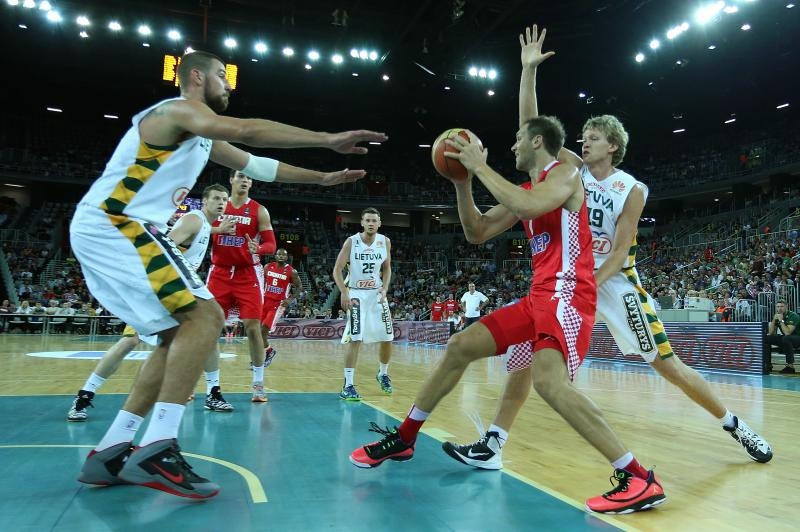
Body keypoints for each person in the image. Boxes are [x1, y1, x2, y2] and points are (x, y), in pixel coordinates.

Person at [442, 25, 772, 487]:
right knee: (524, 358)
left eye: (592, 137)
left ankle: (737, 426)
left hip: (613, 284)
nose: (583, 141)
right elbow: (531, 130)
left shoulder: (631, 188)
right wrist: (528, 73)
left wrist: (589, 283)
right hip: (568, 284)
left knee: (667, 365)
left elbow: (621, 249)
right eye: (582, 136)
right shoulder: (568, 171)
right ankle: (494, 442)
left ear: (612, 145)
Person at [70, 49, 386, 499]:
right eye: (221, 76)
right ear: (196, 77)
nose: (228, 84)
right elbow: (246, 129)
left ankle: (113, 448)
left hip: (121, 228)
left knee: (173, 336)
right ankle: (159, 443)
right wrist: (326, 137)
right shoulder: (176, 111)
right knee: (207, 317)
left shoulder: (199, 136)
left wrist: (322, 180)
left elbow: (260, 166)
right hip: (116, 223)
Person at [349, 109, 665, 513]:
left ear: (536, 142)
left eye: (518, 138)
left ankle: (638, 477)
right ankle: (406, 437)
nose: (512, 145)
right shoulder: (527, 188)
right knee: (461, 345)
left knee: (550, 385)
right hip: (539, 298)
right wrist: (462, 183)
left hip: (568, 296)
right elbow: (476, 232)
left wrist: (479, 166)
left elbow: (530, 206)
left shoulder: (566, 174)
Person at [66, 185, 234, 421]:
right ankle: (85, 395)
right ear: (204, 202)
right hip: (162, 288)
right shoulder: (194, 219)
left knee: (206, 333)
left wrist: (217, 229)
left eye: (224, 199)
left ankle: (212, 392)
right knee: (129, 341)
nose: (221, 202)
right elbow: (165, 248)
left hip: (173, 289)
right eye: (216, 198)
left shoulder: (203, 224)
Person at [206, 170, 279, 403]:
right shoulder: (218, 205)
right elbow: (196, 228)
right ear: (231, 180)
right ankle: (211, 387)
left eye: (249, 177)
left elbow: (271, 244)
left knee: (252, 328)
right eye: (241, 176)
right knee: (209, 329)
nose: (245, 180)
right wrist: (216, 230)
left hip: (248, 274)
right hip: (219, 273)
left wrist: (260, 249)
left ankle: (258, 384)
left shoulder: (259, 210)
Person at [333, 207, 394, 400]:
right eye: (367, 220)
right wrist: (344, 291)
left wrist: (385, 288)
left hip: (376, 293)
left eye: (374, 220)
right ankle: (348, 385)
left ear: (379, 223)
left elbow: (387, 268)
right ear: (362, 222)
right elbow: (337, 269)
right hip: (357, 294)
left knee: (387, 337)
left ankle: (383, 373)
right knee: (356, 339)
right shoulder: (352, 242)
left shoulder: (385, 241)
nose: (370, 223)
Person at [261, 247, 302, 360]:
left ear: (287, 257)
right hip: (265, 301)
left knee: (263, 330)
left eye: (284, 255)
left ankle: (268, 352)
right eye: (279, 254)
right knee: (258, 332)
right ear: (275, 256)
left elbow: (299, 287)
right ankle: (267, 352)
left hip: (278, 304)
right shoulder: (267, 267)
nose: (281, 256)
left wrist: (289, 299)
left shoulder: (291, 271)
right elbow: (262, 281)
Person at [765, 299, 799, 373]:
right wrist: (774, 320)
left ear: (787, 306)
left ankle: (790, 367)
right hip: (786, 338)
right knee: (766, 338)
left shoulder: (793, 316)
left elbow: (787, 332)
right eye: (777, 307)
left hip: (797, 338)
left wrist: (781, 320)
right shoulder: (777, 316)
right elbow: (770, 333)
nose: (779, 308)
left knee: (786, 338)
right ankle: (767, 365)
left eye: (782, 306)